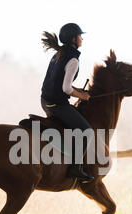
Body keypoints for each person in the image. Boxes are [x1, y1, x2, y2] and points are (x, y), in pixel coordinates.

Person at [40, 23, 94, 183]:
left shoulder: (59, 53)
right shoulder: (73, 60)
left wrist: (78, 90)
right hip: (56, 105)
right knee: (87, 131)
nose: (82, 38)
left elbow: (60, 83)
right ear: (73, 39)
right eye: (80, 36)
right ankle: (75, 168)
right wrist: (82, 96)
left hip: (45, 100)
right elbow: (65, 88)